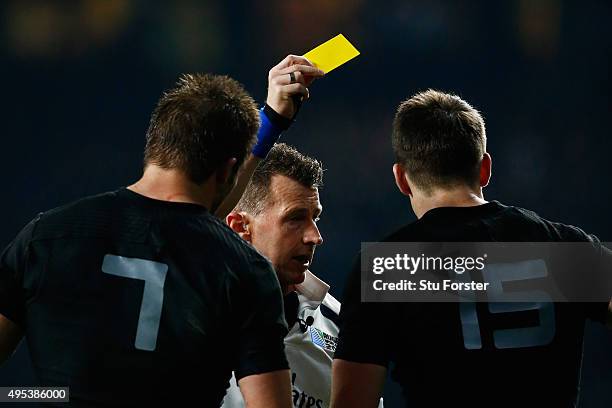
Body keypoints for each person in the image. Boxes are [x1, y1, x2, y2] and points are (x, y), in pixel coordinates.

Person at [0, 56, 323, 407]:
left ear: (155, 144)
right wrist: (271, 121)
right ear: (229, 170)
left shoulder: (46, 237)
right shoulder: (243, 270)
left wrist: (35, 398)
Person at [331, 89, 612, 407]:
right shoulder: (561, 248)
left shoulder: (387, 266)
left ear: (401, 179)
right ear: (485, 168)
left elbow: (352, 402)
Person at [224, 143, 364, 408]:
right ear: (241, 226)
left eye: (315, 218)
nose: (315, 237)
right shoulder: (195, 309)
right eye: (295, 219)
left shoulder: (341, 325)